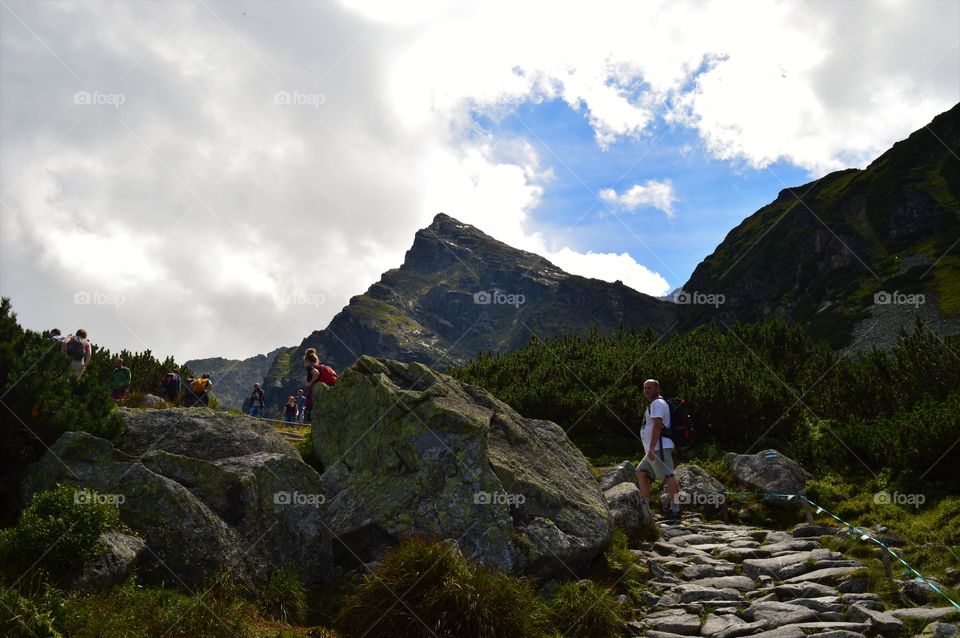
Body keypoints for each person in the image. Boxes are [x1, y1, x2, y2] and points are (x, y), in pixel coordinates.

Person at [635, 378, 681, 521]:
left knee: (668, 476)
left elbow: (657, 425)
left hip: (659, 447)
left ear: (657, 389)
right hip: (654, 448)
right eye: (645, 388)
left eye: (650, 388)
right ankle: (646, 507)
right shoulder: (654, 404)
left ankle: (676, 510)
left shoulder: (658, 403)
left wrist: (651, 448)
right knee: (641, 472)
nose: (647, 391)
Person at [302, 348, 337, 423]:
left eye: (304, 362)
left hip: (318, 391)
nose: (304, 364)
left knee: (309, 406)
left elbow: (316, 373)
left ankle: (308, 424)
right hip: (330, 388)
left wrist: (311, 383)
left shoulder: (310, 367)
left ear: (307, 361)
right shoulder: (324, 367)